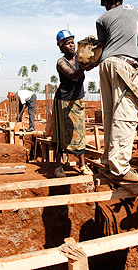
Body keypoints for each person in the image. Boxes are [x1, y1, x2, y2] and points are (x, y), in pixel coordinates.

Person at [96, 0, 138, 183]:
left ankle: (109, 161)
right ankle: (121, 168)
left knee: (110, 113)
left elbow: (102, 45)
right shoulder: (135, 10)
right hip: (125, 64)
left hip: (105, 64)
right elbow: (137, 40)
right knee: (125, 115)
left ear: (106, 1)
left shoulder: (101, 19)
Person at [51, 29, 93, 178]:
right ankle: (58, 167)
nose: (71, 45)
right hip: (63, 102)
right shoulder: (61, 62)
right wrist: (85, 65)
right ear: (61, 47)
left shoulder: (78, 58)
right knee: (61, 135)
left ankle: (83, 166)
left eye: (72, 42)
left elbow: (91, 53)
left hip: (77, 100)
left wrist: (90, 44)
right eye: (67, 43)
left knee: (79, 133)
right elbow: (73, 75)